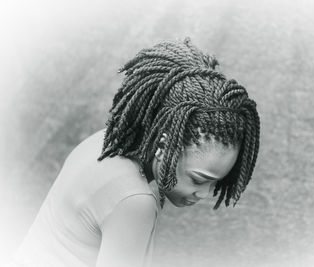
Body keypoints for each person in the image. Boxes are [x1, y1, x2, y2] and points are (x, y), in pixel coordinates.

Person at [8, 37, 260, 267]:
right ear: (164, 143)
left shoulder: (105, 142)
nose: (205, 194)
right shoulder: (135, 201)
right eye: (199, 179)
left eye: (216, 183)